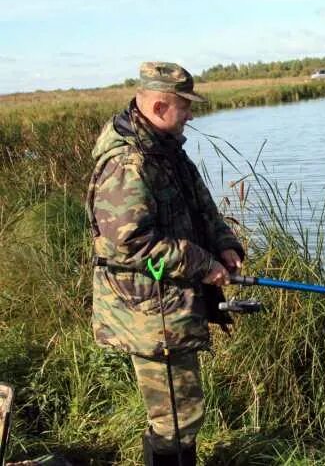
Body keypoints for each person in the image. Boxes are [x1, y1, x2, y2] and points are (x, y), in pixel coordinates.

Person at [86, 62, 244, 465]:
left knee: (180, 414)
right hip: (150, 311)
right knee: (175, 419)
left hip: (168, 304)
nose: (191, 114)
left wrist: (224, 245)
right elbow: (130, 242)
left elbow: (201, 206)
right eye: (185, 106)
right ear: (159, 106)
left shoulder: (167, 150)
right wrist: (201, 264)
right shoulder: (127, 163)